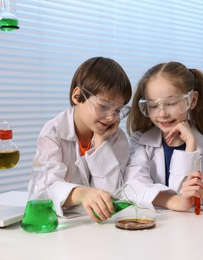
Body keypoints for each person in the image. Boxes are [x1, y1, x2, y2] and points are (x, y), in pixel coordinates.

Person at [32, 57, 132, 222]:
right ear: (77, 96)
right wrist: (83, 193)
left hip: (100, 225)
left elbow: (113, 194)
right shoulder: (53, 132)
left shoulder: (116, 137)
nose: (110, 117)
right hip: (63, 224)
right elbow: (46, 187)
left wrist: (100, 144)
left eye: (117, 110)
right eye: (103, 106)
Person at [124, 61, 203, 212]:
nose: (162, 113)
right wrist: (175, 201)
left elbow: (186, 195)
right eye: (153, 106)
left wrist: (191, 145)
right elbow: (133, 188)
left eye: (171, 103)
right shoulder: (139, 142)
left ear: (192, 100)